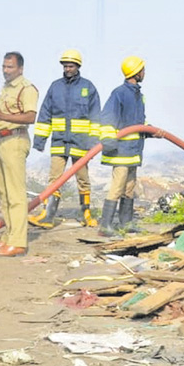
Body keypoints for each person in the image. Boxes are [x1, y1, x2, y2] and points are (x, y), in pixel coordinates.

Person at [0, 52, 38, 257]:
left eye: (10, 67)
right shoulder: (6, 88)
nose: (5, 70)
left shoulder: (26, 89)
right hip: (2, 139)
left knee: (16, 194)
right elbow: (1, 113)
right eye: (4, 66)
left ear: (20, 68)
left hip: (15, 140)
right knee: (4, 193)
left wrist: (2, 115)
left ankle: (18, 242)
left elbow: (30, 117)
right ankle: (9, 237)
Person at [29, 49, 101, 229]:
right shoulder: (55, 87)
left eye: (71, 66)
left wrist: (93, 144)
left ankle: (86, 214)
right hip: (59, 142)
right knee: (54, 179)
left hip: (81, 144)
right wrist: (40, 140)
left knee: (83, 179)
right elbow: (45, 114)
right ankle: (48, 216)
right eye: (65, 66)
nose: (68, 69)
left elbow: (95, 117)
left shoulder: (88, 88)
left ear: (78, 66)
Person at [98, 56, 147, 236]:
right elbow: (108, 118)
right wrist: (109, 140)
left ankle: (126, 223)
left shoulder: (138, 96)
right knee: (117, 187)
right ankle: (105, 226)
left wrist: (147, 130)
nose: (144, 73)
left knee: (129, 188)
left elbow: (137, 121)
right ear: (136, 72)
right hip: (120, 151)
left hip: (134, 151)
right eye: (142, 69)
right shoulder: (119, 93)